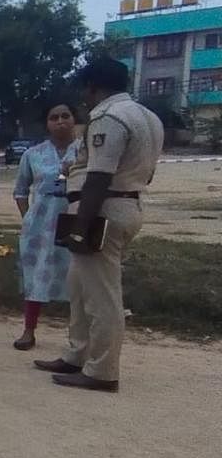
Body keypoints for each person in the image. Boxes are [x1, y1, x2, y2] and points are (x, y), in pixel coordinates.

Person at [35, 59, 163, 392]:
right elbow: (146, 172)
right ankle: (76, 354)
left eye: (85, 90)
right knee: (79, 286)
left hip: (103, 210)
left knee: (103, 296)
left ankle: (102, 371)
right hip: (126, 203)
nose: (84, 97)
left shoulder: (109, 117)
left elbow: (99, 176)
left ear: (92, 86)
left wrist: (81, 226)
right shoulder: (149, 117)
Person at [11, 100, 80, 351]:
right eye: (54, 117)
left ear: (74, 119)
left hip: (76, 221)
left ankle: (78, 338)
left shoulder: (86, 152)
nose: (60, 121)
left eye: (65, 115)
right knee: (36, 277)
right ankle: (29, 331)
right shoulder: (33, 154)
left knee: (79, 278)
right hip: (40, 226)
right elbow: (20, 190)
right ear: (47, 124)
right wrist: (28, 218)